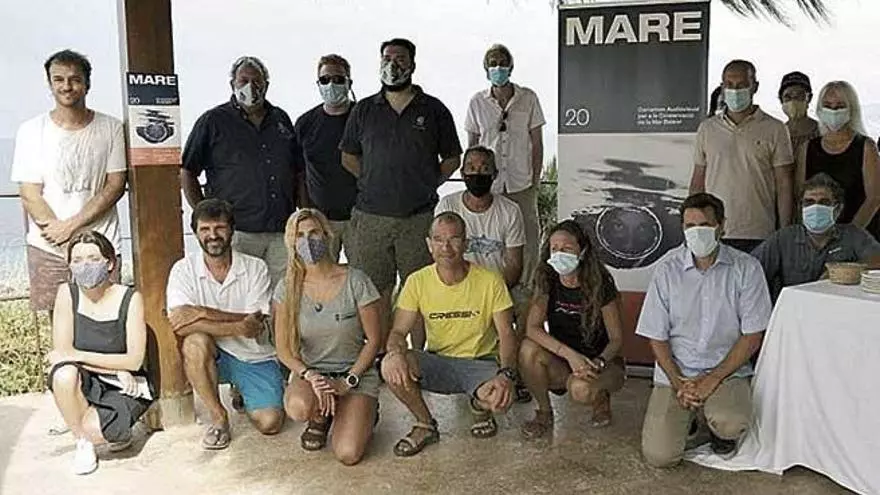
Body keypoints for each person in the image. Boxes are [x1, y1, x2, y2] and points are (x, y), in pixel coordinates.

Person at [340, 38, 462, 348]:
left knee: (419, 288)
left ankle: (419, 355)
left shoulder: (434, 109)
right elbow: (348, 156)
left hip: (417, 219)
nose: (393, 64)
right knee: (375, 290)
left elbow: (452, 158)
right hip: (371, 218)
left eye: (400, 58)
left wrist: (427, 183)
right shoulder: (364, 109)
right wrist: (371, 180)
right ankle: (382, 354)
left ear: (413, 64)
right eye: (387, 58)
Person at [637, 193, 772, 468]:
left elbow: (752, 335)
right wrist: (678, 382)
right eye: (690, 226)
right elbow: (656, 336)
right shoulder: (667, 269)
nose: (697, 232)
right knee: (660, 457)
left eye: (705, 225)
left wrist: (713, 378)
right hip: (677, 373)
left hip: (726, 372)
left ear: (721, 226)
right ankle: (688, 415)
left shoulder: (747, 268)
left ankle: (716, 429)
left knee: (731, 423)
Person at [380, 212, 518, 456]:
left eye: (454, 239)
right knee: (391, 366)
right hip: (439, 361)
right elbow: (398, 331)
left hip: (481, 362)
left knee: (500, 401)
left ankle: (479, 404)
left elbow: (507, 333)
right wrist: (395, 353)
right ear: (429, 244)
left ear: (466, 243)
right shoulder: (417, 281)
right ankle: (425, 424)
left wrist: (506, 374)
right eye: (438, 239)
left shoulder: (490, 280)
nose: (446, 247)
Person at [11, 49, 127, 319]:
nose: (66, 86)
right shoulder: (31, 131)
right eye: (59, 79)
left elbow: (115, 185)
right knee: (60, 322)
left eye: (75, 79)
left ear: (87, 83)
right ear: (50, 83)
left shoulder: (111, 128)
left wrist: (71, 229)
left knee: (107, 318)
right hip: (48, 246)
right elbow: (29, 193)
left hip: (102, 243)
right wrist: (59, 235)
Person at [166, 199, 284, 450]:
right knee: (194, 342)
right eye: (205, 229)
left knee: (270, 423)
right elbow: (181, 326)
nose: (213, 235)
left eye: (219, 227)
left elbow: (255, 323)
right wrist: (237, 326)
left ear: (232, 229)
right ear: (195, 232)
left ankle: (242, 390)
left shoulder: (255, 267)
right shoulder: (183, 270)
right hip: (213, 355)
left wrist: (200, 313)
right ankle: (219, 417)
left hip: (253, 355)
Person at [181, 56, 303, 287]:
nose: (250, 86)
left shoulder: (281, 119)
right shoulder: (212, 121)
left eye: (257, 81)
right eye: (243, 81)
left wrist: (302, 214)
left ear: (266, 85)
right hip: (238, 232)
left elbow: (297, 171)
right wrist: (204, 214)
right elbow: (188, 171)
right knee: (240, 293)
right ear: (233, 84)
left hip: (281, 229)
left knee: (282, 295)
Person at [273, 209, 382, 465]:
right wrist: (310, 376)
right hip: (313, 375)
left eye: (313, 233)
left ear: (327, 234)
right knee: (298, 407)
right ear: (291, 242)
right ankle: (320, 415)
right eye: (299, 235)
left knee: (348, 453)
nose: (307, 241)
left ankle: (362, 411)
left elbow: (375, 340)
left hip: (354, 373)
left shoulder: (356, 280)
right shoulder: (287, 287)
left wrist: (348, 381)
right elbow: (283, 349)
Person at [47, 231, 152, 475]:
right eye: (78, 260)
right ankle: (82, 442)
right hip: (90, 377)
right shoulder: (67, 293)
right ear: (70, 265)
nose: (85, 266)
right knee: (63, 374)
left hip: (125, 382)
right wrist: (116, 367)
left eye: (93, 259)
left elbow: (134, 360)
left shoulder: (130, 298)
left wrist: (80, 356)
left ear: (110, 263)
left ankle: (97, 428)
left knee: (97, 430)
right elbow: (63, 355)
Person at [435, 145, 530, 402]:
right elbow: (442, 256)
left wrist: (491, 295)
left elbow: (515, 264)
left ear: (495, 174)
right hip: (457, 285)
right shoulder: (448, 205)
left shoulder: (510, 210)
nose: (477, 174)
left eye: (484, 169)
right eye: (471, 168)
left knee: (526, 305)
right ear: (462, 173)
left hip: (499, 287)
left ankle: (514, 373)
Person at [518, 220, 625, 438]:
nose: (559, 254)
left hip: (601, 362)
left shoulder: (601, 283)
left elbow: (616, 339)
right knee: (528, 350)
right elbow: (532, 328)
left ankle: (600, 395)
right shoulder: (547, 279)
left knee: (581, 390)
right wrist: (569, 355)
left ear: (582, 252)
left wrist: (598, 362)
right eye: (554, 249)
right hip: (564, 360)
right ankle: (544, 412)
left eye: (567, 249)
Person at [690, 59, 795, 253]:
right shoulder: (707, 129)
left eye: (741, 85)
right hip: (715, 231)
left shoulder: (775, 129)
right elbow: (698, 182)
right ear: (722, 87)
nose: (735, 90)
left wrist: (784, 231)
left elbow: (784, 184)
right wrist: (693, 227)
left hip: (760, 232)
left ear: (755, 86)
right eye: (729, 85)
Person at [465, 43, 545, 289]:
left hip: (521, 183)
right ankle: (493, 288)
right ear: (485, 69)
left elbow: (537, 143)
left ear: (511, 67)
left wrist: (535, 181)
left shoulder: (528, 98)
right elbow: (472, 145)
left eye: (502, 63)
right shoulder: (477, 102)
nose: (498, 67)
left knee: (528, 238)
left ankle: (527, 289)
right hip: (489, 184)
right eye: (493, 64)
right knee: (491, 238)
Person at [753, 173, 880, 300]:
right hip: (795, 306)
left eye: (824, 202)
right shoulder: (784, 238)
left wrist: (844, 271)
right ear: (801, 208)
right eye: (809, 202)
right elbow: (753, 267)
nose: (816, 207)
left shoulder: (853, 235)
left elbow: (877, 259)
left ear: (838, 209)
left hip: (838, 306)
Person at [293, 54, 358, 261]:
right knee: (320, 274)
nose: (331, 84)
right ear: (318, 84)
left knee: (365, 275)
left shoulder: (364, 118)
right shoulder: (305, 123)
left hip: (361, 218)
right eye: (325, 79)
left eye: (338, 79)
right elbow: (298, 172)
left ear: (349, 83)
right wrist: (306, 213)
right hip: (320, 220)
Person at [796, 81, 880, 240]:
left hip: (861, 236)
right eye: (828, 105)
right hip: (816, 239)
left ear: (851, 109)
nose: (833, 111)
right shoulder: (807, 149)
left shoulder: (866, 147)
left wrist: (848, 236)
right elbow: (800, 196)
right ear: (820, 109)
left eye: (840, 106)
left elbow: (874, 199)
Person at [779, 71, 820, 157]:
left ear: (809, 98)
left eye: (800, 95)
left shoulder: (822, 133)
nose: (793, 100)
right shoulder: (777, 134)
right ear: (781, 100)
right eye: (787, 96)